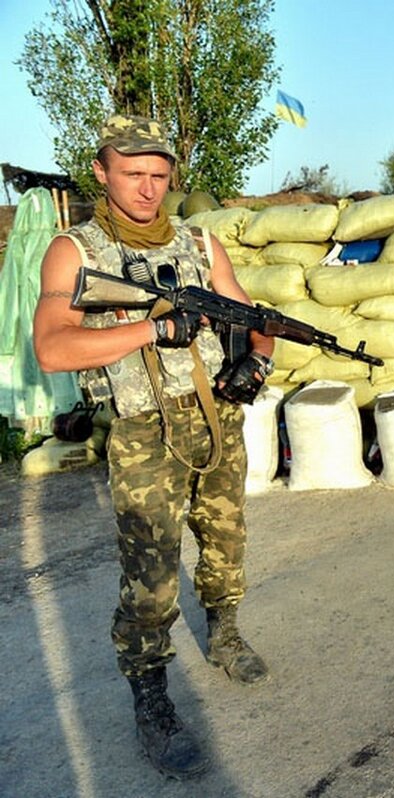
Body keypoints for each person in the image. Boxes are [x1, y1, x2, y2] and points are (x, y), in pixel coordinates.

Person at [33, 115, 275, 779]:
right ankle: (152, 699)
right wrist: (151, 330)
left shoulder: (201, 242)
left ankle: (223, 631)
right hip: (143, 429)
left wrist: (256, 363)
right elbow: (52, 347)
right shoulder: (75, 251)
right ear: (102, 171)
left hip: (216, 416)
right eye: (133, 173)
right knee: (150, 570)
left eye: (160, 175)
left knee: (225, 537)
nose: (147, 188)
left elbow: (257, 321)